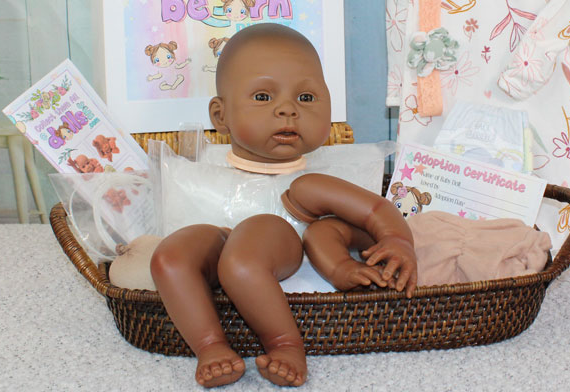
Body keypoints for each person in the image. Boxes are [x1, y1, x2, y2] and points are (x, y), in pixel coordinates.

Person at [150, 23, 417, 388]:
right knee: (170, 257)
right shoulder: (200, 167)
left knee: (246, 249)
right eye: (263, 97)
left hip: (277, 242)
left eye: (306, 97)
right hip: (222, 238)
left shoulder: (313, 184)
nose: (288, 110)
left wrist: (398, 240)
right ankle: (211, 345)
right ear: (220, 116)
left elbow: (375, 211)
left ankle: (286, 344)